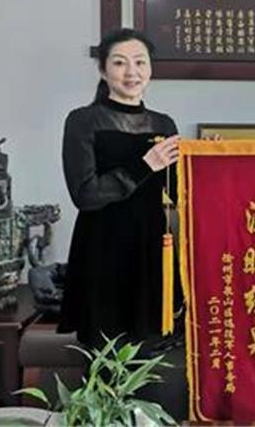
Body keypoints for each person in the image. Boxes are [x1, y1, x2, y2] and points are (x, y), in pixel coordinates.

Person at [58, 28, 182, 351]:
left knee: (151, 352)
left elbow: (178, 192)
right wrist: (145, 164)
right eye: (119, 63)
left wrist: (209, 160)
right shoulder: (83, 121)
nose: (131, 72)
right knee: (104, 351)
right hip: (102, 248)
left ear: (150, 68)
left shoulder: (164, 124)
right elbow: (85, 194)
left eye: (140, 62)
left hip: (151, 246)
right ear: (103, 70)